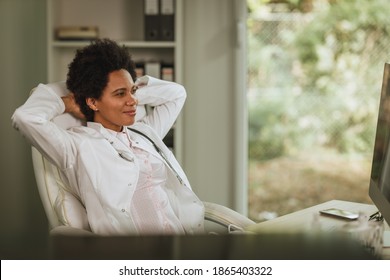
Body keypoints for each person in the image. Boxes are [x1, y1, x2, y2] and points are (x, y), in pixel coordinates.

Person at [12, 38, 205, 235]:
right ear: (93, 102)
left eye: (133, 92)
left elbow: (177, 94)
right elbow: (25, 118)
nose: (134, 102)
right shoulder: (77, 147)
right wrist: (68, 102)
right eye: (120, 94)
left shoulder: (144, 132)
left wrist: (127, 87)